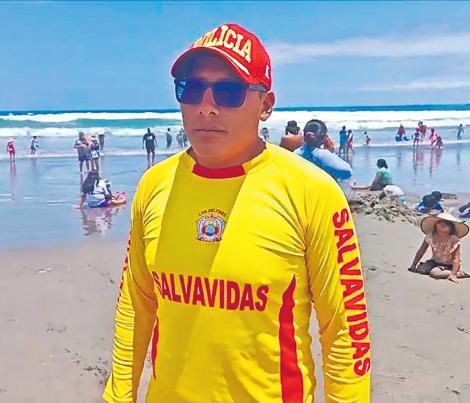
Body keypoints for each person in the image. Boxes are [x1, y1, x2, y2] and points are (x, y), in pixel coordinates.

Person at [103, 23, 370, 403]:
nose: (206, 106)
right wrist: (118, 396)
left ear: (266, 105)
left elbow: (345, 328)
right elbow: (136, 304)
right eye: (190, 89)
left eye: (229, 91)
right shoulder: (155, 185)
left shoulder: (312, 191)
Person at [408, 213, 470, 283]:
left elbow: (456, 258)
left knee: (434, 273)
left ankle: (458, 273)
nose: (443, 223)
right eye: (440, 221)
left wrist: (453, 274)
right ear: (435, 224)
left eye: (447, 223)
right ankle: (441, 271)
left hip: (449, 264)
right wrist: (414, 264)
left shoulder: (453, 239)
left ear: (451, 227)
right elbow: (422, 250)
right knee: (421, 269)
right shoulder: (431, 235)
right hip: (435, 261)